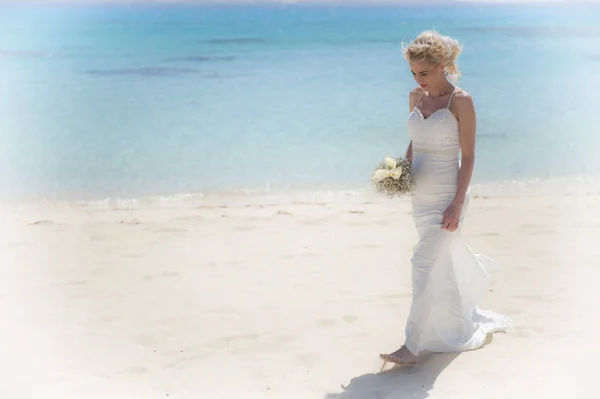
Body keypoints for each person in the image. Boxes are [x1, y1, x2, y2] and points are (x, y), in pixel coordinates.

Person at [379, 30, 512, 367]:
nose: (418, 79)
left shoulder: (461, 101)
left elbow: (467, 157)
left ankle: (412, 344)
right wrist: (400, 169)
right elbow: (416, 140)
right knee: (441, 264)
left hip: (447, 196)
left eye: (423, 72)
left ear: (441, 66)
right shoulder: (415, 97)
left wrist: (456, 203)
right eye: (412, 72)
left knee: (422, 263)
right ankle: (455, 327)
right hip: (419, 197)